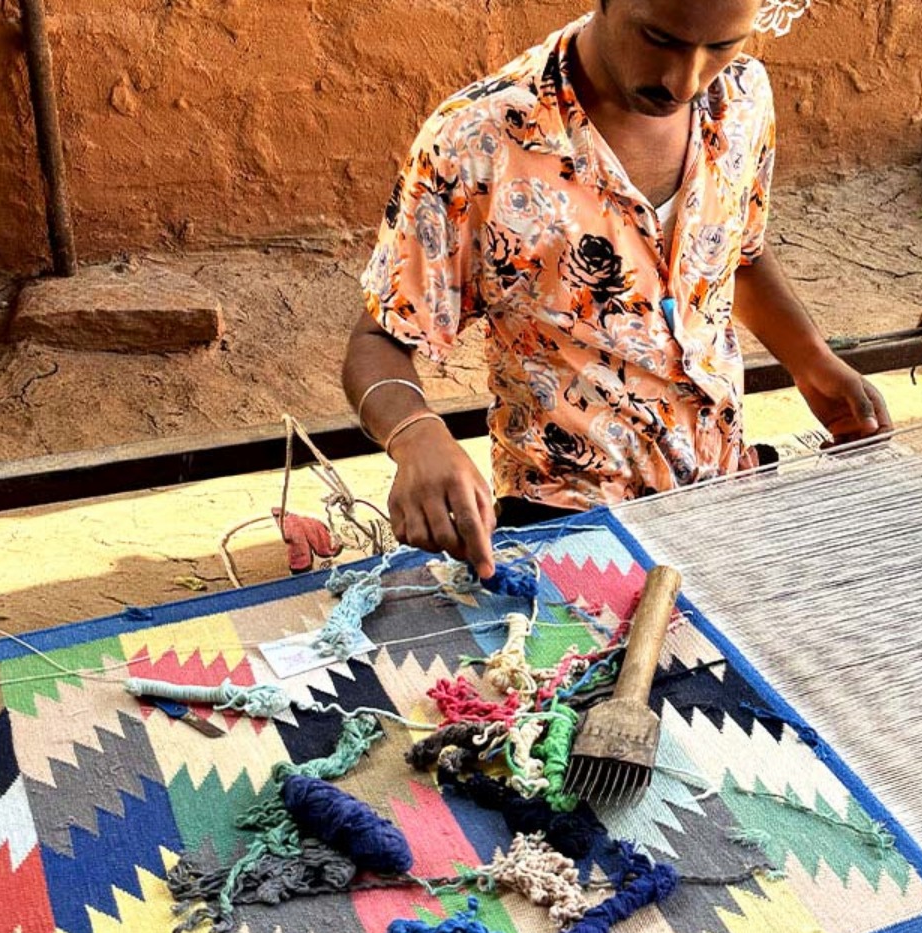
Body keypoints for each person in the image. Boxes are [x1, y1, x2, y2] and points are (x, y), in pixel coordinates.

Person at [342, 0, 892, 580]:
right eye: (660, 38)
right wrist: (414, 434)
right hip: (570, 520)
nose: (686, 81)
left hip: (723, 484)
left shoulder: (742, 98)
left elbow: (738, 256)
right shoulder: (478, 142)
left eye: (723, 45)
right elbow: (379, 338)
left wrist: (812, 360)